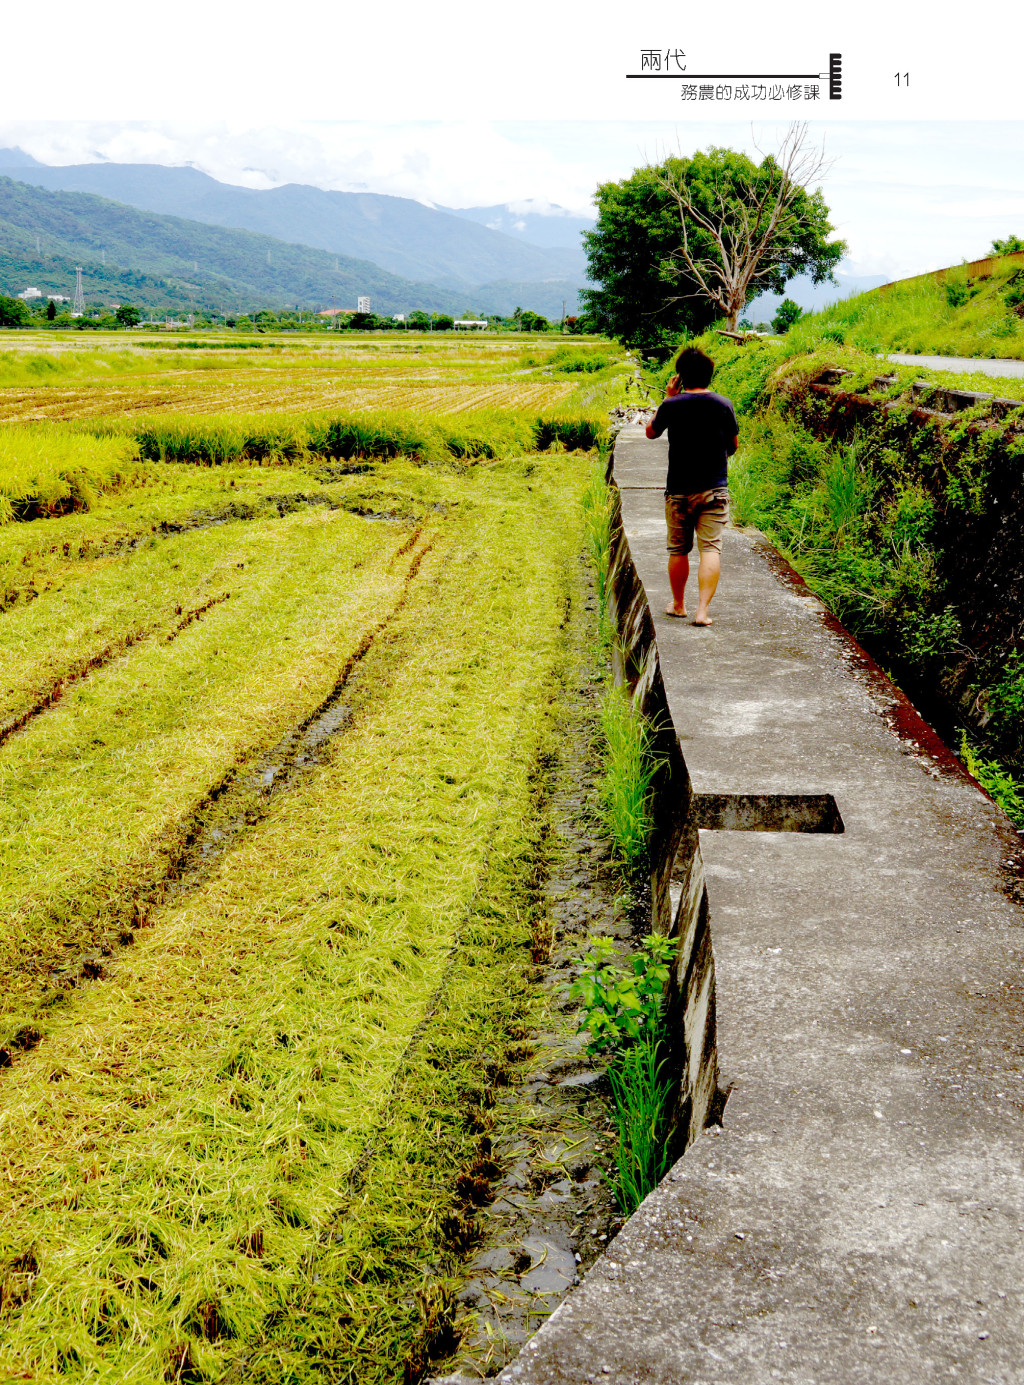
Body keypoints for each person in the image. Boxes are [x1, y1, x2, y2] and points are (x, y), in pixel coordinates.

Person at [645, 346, 738, 627]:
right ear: (710, 375)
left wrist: (668, 397)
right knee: (710, 549)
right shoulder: (724, 404)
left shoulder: (672, 405)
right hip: (714, 489)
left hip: (678, 490)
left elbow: (650, 432)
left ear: (680, 377)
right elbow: (732, 446)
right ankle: (702, 612)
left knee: (678, 550)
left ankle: (678, 605)